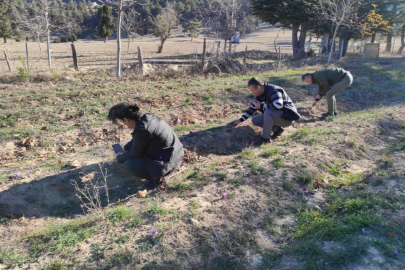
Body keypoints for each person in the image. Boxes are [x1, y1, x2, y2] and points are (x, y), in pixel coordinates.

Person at [108, 103, 184, 191]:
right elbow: (138, 140)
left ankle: (157, 179)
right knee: (133, 153)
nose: (123, 124)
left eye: (122, 121)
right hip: (176, 152)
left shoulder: (142, 130)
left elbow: (135, 152)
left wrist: (119, 157)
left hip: (168, 162)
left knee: (130, 164)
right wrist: (126, 148)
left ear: (126, 120)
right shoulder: (147, 118)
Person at [233, 77, 301, 146]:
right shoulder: (260, 95)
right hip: (278, 116)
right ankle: (277, 130)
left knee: (268, 112)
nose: (252, 93)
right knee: (255, 120)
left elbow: (278, 105)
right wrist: (240, 120)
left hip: (287, 118)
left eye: (253, 90)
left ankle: (265, 138)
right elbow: (252, 108)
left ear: (258, 87)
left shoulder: (274, 90)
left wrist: (262, 106)